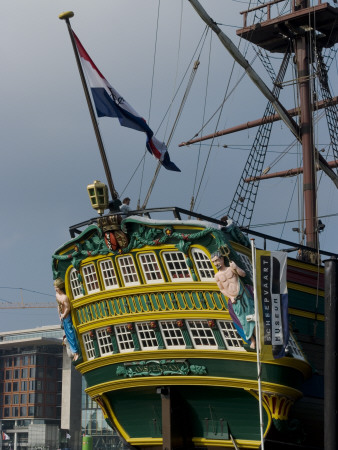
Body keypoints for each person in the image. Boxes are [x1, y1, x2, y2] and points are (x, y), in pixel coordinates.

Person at [211, 251, 256, 349]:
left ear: (222, 259)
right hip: (234, 299)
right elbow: (222, 289)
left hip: (243, 295)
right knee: (243, 320)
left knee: (252, 316)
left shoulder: (230, 268)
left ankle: (258, 336)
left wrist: (236, 267)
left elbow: (243, 274)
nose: (216, 263)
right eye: (214, 262)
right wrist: (230, 297)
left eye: (217, 260)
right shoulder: (217, 276)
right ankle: (252, 339)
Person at [54, 278, 80, 361]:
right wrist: (59, 315)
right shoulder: (57, 295)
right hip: (62, 316)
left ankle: (76, 352)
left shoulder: (64, 297)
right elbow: (58, 305)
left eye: (56, 287)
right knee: (67, 335)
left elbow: (68, 308)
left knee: (71, 333)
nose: (55, 289)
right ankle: (73, 351)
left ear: (59, 288)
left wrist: (63, 315)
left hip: (66, 316)